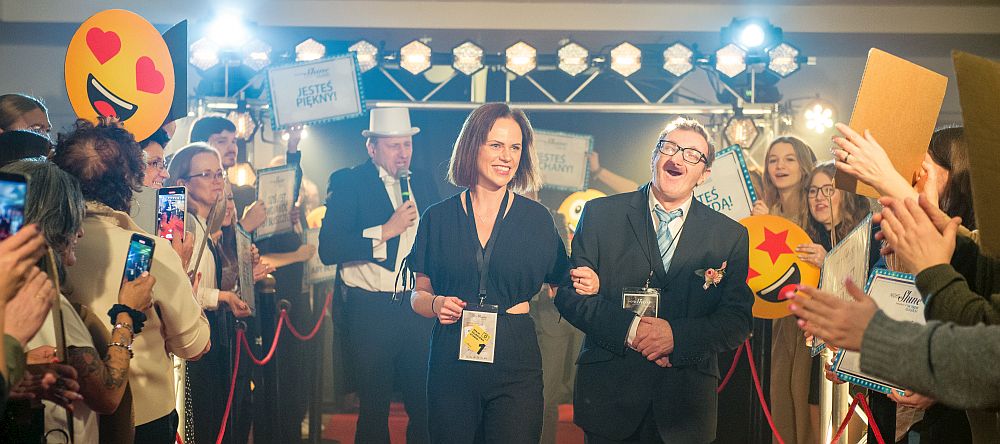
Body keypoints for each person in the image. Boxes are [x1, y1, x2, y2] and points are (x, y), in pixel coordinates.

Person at [407, 103, 597, 443]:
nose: (506, 157)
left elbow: (564, 282)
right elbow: (418, 294)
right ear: (472, 146)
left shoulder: (537, 219)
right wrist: (435, 304)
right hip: (452, 358)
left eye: (515, 147)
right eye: (496, 145)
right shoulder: (437, 218)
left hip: (516, 358)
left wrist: (587, 281)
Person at [555, 117, 753, 443]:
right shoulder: (601, 214)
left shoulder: (728, 235)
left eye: (692, 155)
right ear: (654, 157)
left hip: (685, 406)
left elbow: (737, 320)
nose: (677, 159)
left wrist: (676, 336)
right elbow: (570, 295)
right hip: (610, 397)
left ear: (704, 174)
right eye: (670, 148)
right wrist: (631, 329)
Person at [52, 119, 211, 444]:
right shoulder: (148, 250)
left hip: (65, 416)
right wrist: (183, 278)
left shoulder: (45, 244)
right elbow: (193, 346)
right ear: (129, 182)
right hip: (143, 417)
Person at [4, 159, 154, 443]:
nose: (81, 232)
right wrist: (127, 313)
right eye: (74, 219)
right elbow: (107, 395)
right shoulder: (43, 299)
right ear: (54, 224)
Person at [318, 108, 440, 443]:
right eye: (393, 146)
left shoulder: (422, 180)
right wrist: (386, 231)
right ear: (372, 148)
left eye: (407, 145)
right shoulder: (349, 181)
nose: (403, 153)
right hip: (370, 311)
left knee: (424, 405)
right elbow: (329, 248)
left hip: (417, 306)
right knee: (374, 408)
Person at [789, 282, 1000, 410]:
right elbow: (879, 304)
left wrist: (936, 381)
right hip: (889, 393)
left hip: (953, 407)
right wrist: (847, 361)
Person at [751, 135, 818, 444]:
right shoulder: (766, 210)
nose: (780, 166)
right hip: (779, 317)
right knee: (780, 392)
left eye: (789, 159)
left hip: (811, 318)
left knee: (803, 393)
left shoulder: (815, 208)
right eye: (773, 160)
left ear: (803, 165)